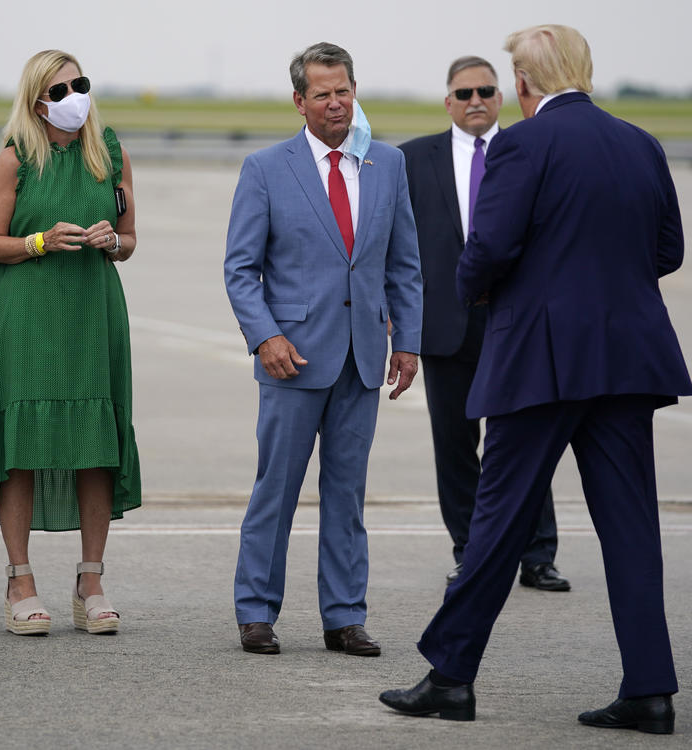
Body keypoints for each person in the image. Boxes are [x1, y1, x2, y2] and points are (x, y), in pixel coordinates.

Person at [380, 25, 690, 733]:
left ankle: (451, 678)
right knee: (632, 527)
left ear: (524, 83)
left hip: (543, 360)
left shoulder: (523, 143)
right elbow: (668, 248)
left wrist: (479, 292)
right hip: (628, 360)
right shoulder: (640, 142)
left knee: (496, 521)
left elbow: (487, 246)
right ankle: (650, 690)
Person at [224, 42, 422, 656]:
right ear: (299, 101)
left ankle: (344, 617)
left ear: (353, 91)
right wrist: (265, 337)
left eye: (343, 90)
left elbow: (403, 264)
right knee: (275, 491)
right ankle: (255, 612)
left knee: (347, 494)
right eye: (322, 94)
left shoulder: (387, 163)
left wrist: (408, 342)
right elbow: (240, 269)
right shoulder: (265, 167)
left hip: (363, 358)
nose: (335, 103)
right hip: (292, 359)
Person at [0, 49, 140, 637]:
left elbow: (130, 238)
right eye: (60, 89)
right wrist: (39, 241)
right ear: (37, 100)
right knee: (22, 444)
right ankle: (20, 580)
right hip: (31, 318)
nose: (75, 96)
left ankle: (90, 580)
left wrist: (109, 241)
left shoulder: (109, 150)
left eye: (81, 84)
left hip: (94, 313)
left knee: (96, 444)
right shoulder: (15, 158)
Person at [399, 56, 568, 592]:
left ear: (503, 97)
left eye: (486, 91)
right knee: (454, 444)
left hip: (518, 323)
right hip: (446, 324)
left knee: (524, 439)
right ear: (447, 101)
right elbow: (396, 246)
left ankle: (537, 555)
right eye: (464, 92)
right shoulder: (411, 160)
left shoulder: (531, 150)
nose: (476, 100)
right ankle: (471, 552)